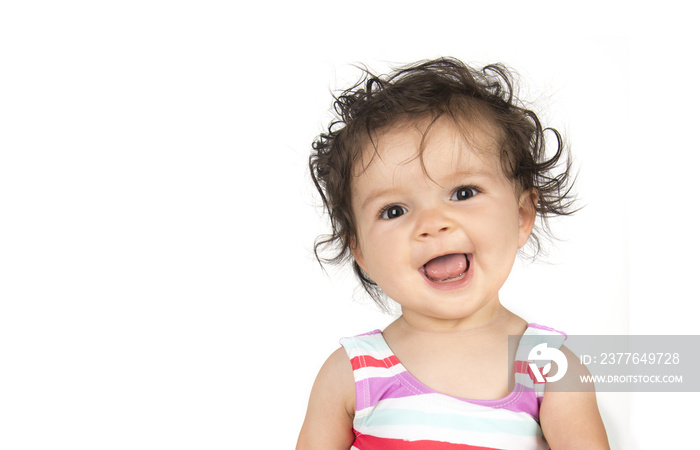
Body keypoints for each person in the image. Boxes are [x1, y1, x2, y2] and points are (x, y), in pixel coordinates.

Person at [296, 57, 609, 449]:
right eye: (394, 211)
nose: (433, 223)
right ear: (358, 249)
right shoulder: (351, 373)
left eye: (463, 193)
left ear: (522, 215)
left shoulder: (550, 369)